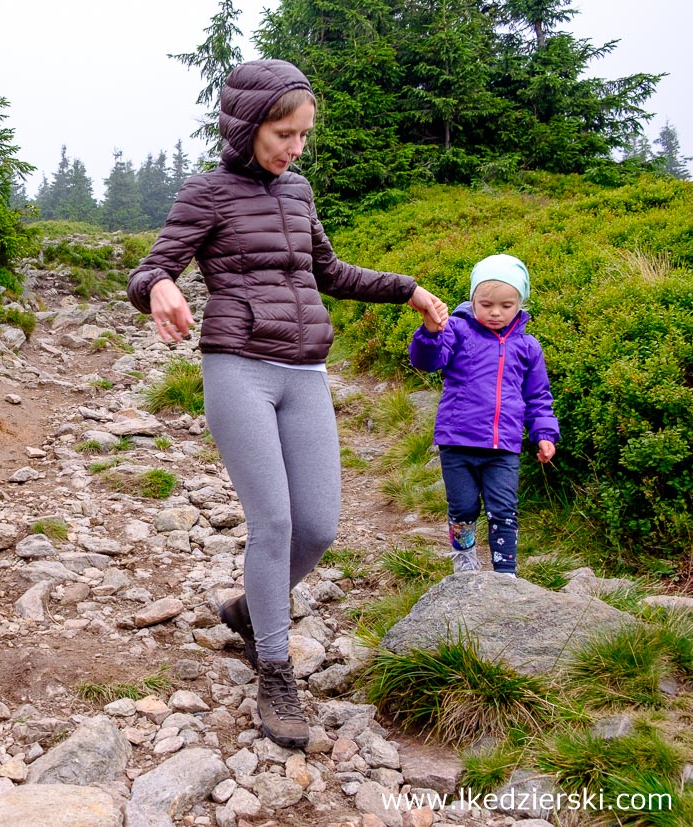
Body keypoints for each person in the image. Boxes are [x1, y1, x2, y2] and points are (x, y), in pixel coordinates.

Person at [126, 59, 448, 749]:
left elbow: (329, 272)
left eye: (303, 135)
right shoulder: (206, 193)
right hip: (237, 367)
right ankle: (275, 668)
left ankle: (249, 607)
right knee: (272, 520)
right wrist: (157, 288)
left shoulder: (298, 193)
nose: (294, 148)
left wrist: (407, 288)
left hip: (305, 371)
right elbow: (153, 266)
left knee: (320, 528)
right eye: (283, 134)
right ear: (247, 127)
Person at [409, 253, 559, 577]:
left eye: (506, 305)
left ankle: (506, 572)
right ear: (473, 298)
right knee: (463, 508)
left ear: (521, 302)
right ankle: (464, 560)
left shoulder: (528, 346)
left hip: (503, 447)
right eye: (486, 303)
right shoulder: (458, 331)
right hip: (457, 442)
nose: (495, 312)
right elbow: (426, 359)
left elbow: (538, 396)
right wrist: (431, 330)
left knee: (504, 508)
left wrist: (544, 434)